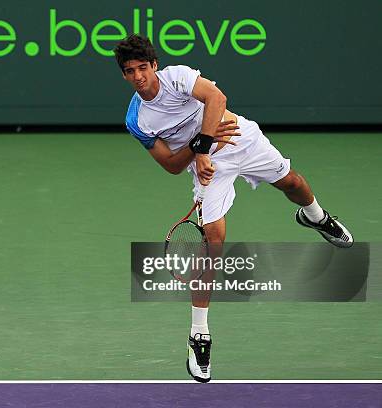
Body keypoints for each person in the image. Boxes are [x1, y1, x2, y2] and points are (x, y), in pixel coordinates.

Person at [113, 34, 353, 383]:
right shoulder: (138, 118)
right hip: (209, 166)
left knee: (293, 183)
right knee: (214, 241)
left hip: (239, 138)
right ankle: (199, 335)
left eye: (142, 68)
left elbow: (216, 97)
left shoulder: (177, 76)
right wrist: (199, 150)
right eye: (129, 71)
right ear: (123, 74)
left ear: (154, 66)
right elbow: (169, 164)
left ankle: (315, 216)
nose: (138, 77)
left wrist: (203, 146)